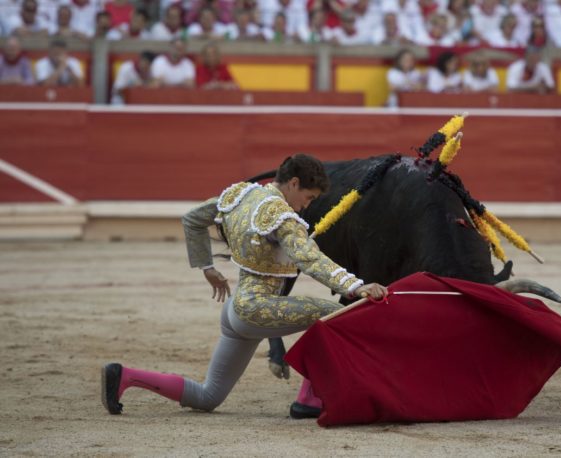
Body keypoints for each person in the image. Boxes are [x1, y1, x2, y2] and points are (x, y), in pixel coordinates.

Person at [101, 154, 388, 417]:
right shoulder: (281, 216)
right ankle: (309, 401)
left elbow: (192, 220)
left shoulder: (241, 195)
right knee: (337, 315)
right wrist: (355, 286)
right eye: (308, 197)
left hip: (236, 312)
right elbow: (310, 259)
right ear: (294, 183)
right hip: (255, 311)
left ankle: (124, 376)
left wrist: (207, 267)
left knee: (207, 396)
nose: (307, 205)